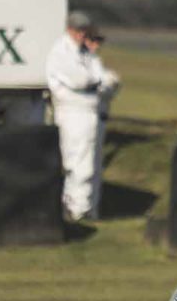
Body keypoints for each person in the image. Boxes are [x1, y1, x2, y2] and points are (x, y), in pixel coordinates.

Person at [46, 12, 104, 222]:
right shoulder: (61, 52)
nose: (82, 34)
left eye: (84, 31)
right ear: (69, 29)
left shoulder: (84, 53)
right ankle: (76, 209)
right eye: (78, 30)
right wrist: (95, 80)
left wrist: (96, 80)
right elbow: (80, 79)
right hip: (72, 113)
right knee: (76, 162)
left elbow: (103, 79)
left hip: (87, 112)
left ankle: (82, 208)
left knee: (86, 162)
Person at [85, 29, 121, 211]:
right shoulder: (83, 61)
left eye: (98, 41)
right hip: (85, 118)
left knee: (95, 169)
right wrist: (107, 83)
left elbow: (109, 87)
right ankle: (81, 211)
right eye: (92, 40)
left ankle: (93, 211)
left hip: (99, 117)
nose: (96, 45)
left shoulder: (96, 61)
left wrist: (110, 83)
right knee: (84, 169)